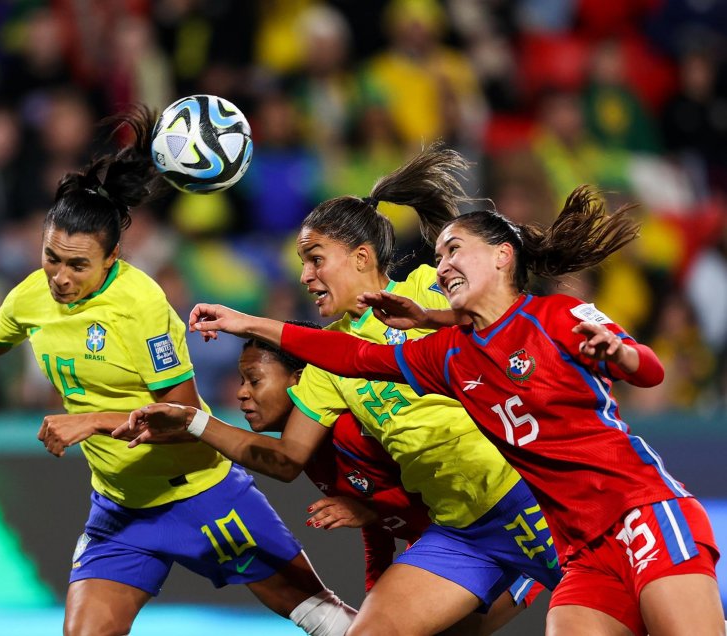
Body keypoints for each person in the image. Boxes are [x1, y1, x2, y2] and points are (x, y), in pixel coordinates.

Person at [0, 107, 356, 636]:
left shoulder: (141, 303)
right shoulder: (33, 295)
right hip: (119, 509)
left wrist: (91, 422)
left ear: (112, 258)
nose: (60, 277)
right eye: (51, 257)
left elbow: (183, 414)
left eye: (77, 265)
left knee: (325, 620)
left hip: (200, 495)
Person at [179, 179, 725, 636]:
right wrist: (247, 325)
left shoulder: (551, 315)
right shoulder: (443, 354)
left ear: (501, 255)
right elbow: (355, 356)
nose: (440, 265)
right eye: (438, 256)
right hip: (529, 539)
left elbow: (646, 370)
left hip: (617, 510)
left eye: (453, 250)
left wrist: (623, 354)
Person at [117, 147, 562, 636]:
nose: (306, 276)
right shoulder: (327, 363)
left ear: (362, 257)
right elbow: (286, 460)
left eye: (315, 259)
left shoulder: (427, 291)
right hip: (461, 529)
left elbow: (505, 308)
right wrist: (194, 420)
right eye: (302, 263)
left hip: (531, 500)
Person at [238, 322, 543, 629]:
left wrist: (372, 509)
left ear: (300, 380)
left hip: (496, 531)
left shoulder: (353, 428)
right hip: (447, 544)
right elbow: (377, 525)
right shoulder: (312, 454)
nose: (241, 393)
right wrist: (376, 593)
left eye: (253, 380)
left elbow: (441, 483)